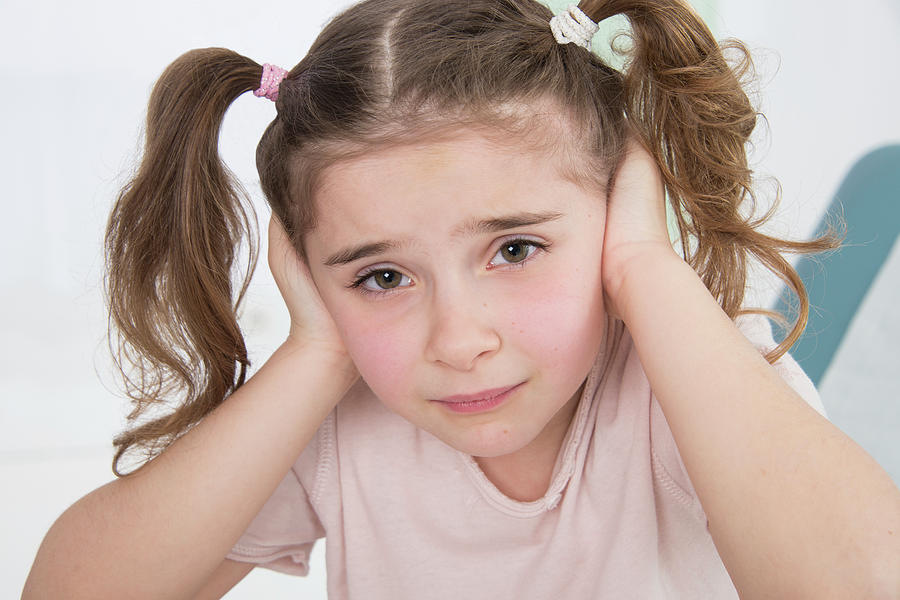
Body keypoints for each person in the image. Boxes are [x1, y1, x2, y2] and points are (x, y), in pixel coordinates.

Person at [22, 0, 900, 598]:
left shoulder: (689, 383)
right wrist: (316, 356)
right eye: (382, 276)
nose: (458, 338)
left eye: (515, 249)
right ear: (312, 269)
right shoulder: (342, 424)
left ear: (615, 207)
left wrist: (644, 265)